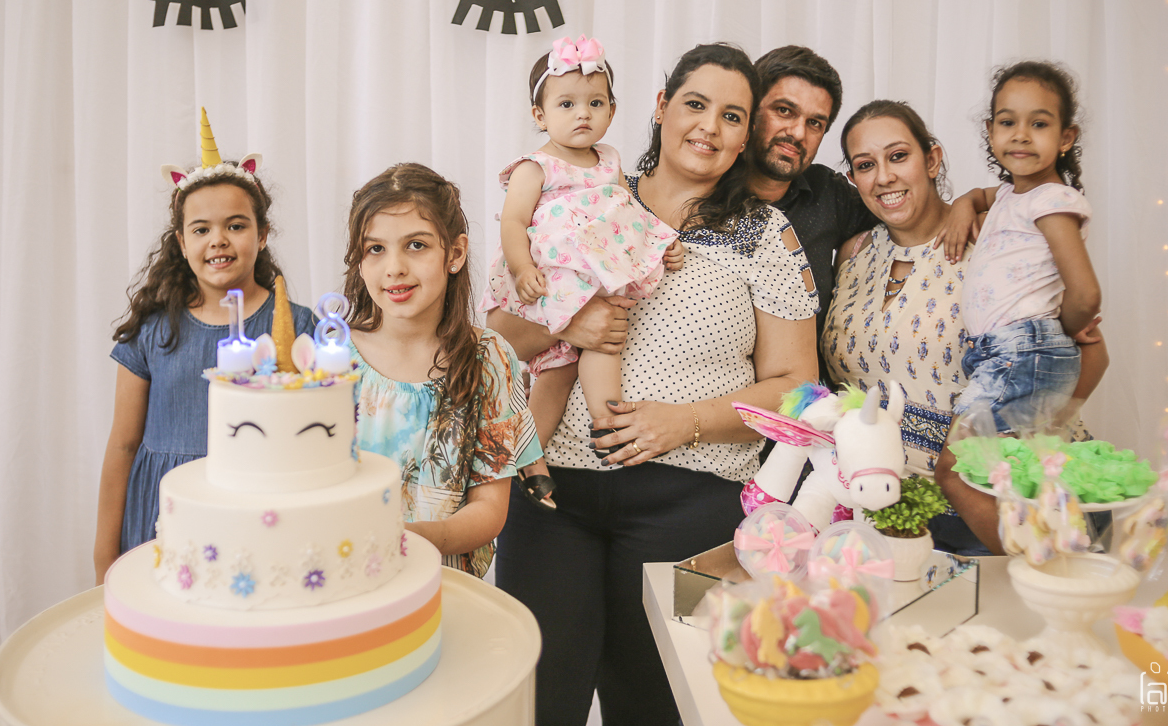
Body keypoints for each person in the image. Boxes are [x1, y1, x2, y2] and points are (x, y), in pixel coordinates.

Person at [489, 43, 820, 726]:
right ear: (663, 107)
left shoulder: (764, 233)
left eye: (733, 116)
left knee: (660, 704)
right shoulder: (579, 192)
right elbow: (498, 336)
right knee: (536, 701)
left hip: (692, 501)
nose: (710, 127)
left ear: (745, 136)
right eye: (696, 104)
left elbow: (797, 387)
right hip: (553, 495)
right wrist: (569, 324)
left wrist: (685, 421)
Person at [825, 100, 1108, 554]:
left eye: (898, 156)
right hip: (897, 511)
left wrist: (1017, 445)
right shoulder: (852, 254)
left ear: (932, 160)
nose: (884, 176)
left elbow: (1091, 353)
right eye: (865, 165)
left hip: (1002, 503)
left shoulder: (998, 238)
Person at [94, 124, 315, 584]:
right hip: (163, 517)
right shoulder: (153, 331)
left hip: (256, 518)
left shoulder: (296, 327)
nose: (219, 239)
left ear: (263, 234)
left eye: (236, 225)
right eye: (202, 229)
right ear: (181, 242)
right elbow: (123, 445)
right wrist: (103, 554)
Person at [479, 35, 683, 510]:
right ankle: (528, 463)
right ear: (540, 115)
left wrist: (661, 242)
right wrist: (521, 267)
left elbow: (626, 210)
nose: (582, 114)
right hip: (552, 275)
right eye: (566, 104)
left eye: (595, 103)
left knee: (594, 348)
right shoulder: (536, 167)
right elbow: (513, 222)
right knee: (557, 368)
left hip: (595, 274)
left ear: (612, 111)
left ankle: (606, 424)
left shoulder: (609, 160)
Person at [345, 163, 542, 578]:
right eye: (375, 249)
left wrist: (414, 540)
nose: (394, 267)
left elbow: (489, 509)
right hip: (346, 581)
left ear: (455, 253)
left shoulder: (489, 358)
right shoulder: (328, 360)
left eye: (416, 245)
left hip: (444, 586)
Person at [936, 61, 1099, 435]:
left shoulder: (1052, 202)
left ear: (1065, 138)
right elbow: (981, 195)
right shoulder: (1013, 194)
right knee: (1001, 462)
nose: (1021, 135)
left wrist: (1058, 330)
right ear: (991, 131)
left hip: (1022, 350)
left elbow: (1086, 294)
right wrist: (963, 203)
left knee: (958, 460)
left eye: (1039, 124)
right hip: (1004, 352)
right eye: (1008, 122)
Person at [746, 46, 880, 376]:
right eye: (784, 111)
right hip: (709, 393)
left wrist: (970, 204)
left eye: (815, 123)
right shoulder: (703, 184)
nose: (797, 133)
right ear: (750, 108)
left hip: (805, 398)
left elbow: (914, 218)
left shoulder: (828, 193)